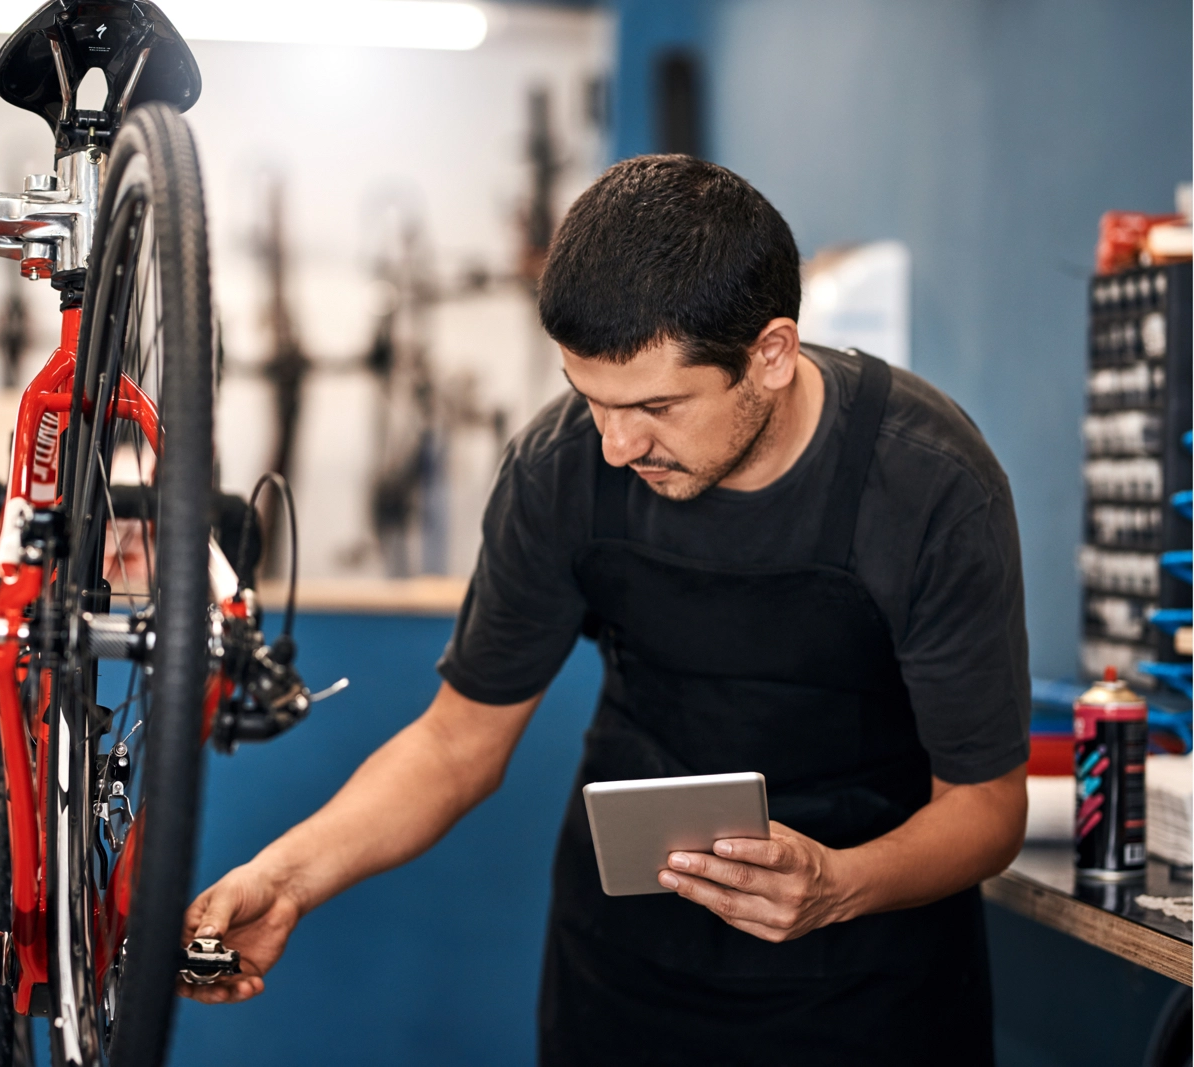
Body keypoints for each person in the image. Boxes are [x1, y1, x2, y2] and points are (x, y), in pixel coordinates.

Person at [179, 155, 1030, 1065]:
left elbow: (987, 807)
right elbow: (456, 744)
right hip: (629, 979)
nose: (619, 445)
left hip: (872, 991)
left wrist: (839, 884)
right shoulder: (560, 468)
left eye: (656, 405)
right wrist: (288, 877)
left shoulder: (929, 485)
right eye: (592, 401)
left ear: (771, 355)